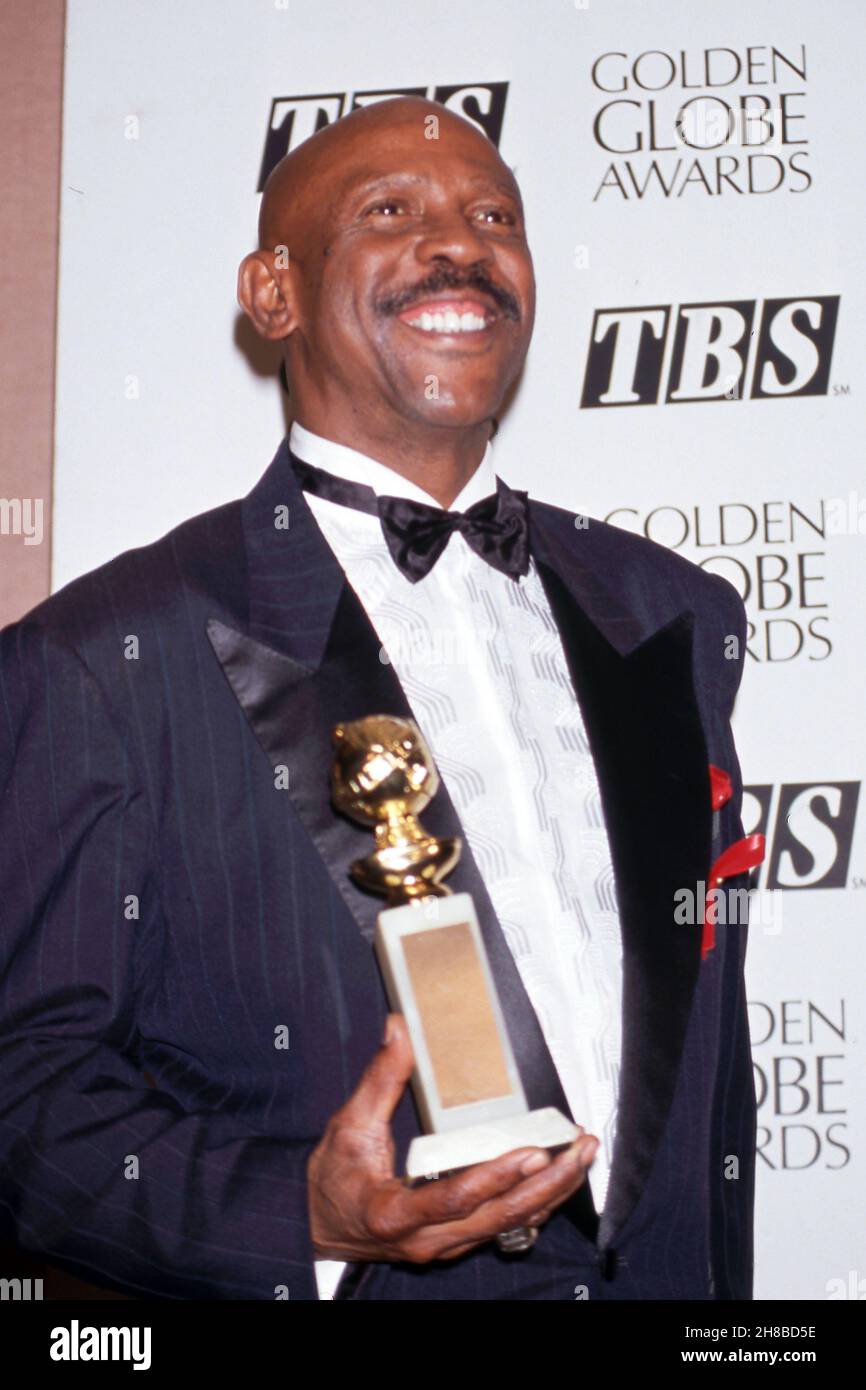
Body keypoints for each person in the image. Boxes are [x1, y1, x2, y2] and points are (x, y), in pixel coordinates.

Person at [0, 96, 755, 1300]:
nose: (458, 245)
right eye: (389, 212)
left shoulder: (671, 613)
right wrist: (298, 1216)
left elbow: (706, 1083)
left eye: (491, 214)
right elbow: (23, 1089)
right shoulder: (104, 655)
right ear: (274, 293)